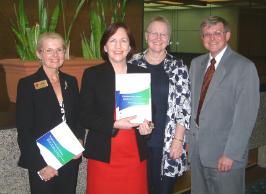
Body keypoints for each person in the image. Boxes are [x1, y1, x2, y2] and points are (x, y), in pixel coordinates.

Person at [188, 15, 260, 194]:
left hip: (224, 154)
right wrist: (188, 140)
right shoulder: (196, 65)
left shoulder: (244, 67)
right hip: (197, 151)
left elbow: (245, 116)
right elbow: (191, 107)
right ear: (202, 38)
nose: (212, 38)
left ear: (227, 36)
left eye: (217, 33)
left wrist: (231, 153)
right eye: (207, 34)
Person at [79, 22, 153, 194]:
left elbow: (151, 112)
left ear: (130, 47)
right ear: (105, 47)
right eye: (113, 41)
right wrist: (114, 124)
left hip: (134, 155)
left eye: (123, 41)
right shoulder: (92, 75)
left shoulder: (140, 73)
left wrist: (148, 127)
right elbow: (83, 115)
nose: (118, 46)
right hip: (104, 155)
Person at [16, 32, 84, 194]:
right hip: (43, 161)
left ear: (64, 53)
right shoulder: (27, 85)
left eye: (59, 50)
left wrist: (80, 140)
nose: (55, 55)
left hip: (68, 158)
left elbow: (78, 118)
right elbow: (24, 131)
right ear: (39, 53)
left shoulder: (71, 82)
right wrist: (40, 165)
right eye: (49, 50)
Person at [129, 16, 191, 194]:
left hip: (168, 143)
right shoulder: (133, 62)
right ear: (146, 36)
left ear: (169, 39)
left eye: (163, 34)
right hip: (137, 141)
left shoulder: (178, 67)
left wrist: (178, 141)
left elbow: (184, 107)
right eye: (154, 33)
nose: (158, 38)